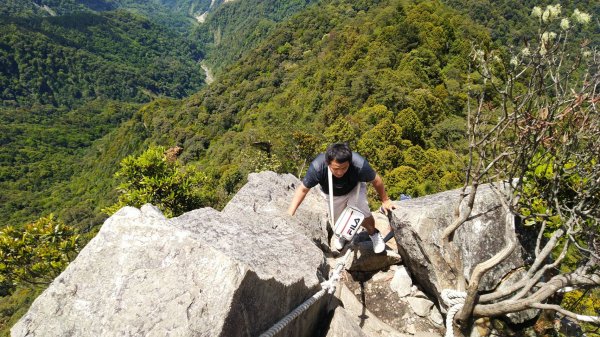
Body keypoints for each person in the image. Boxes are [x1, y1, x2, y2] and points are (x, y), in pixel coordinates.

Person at [287, 143, 395, 253]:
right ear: (328, 163)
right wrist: (289, 214)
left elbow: (376, 180)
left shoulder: (359, 164)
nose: (340, 172)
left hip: (355, 189)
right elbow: (303, 189)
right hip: (332, 193)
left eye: (344, 168)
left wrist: (385, 200)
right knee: (338, 219)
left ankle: (373, 233)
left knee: (362, 212)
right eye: (336, 168)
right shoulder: (318, 167)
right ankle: (342, 235)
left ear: (350, 162)